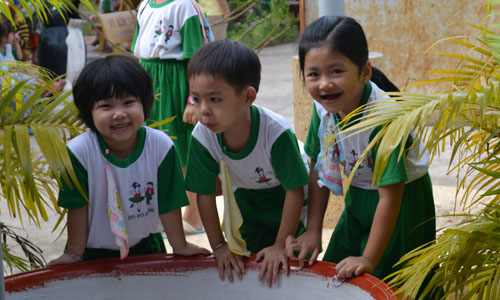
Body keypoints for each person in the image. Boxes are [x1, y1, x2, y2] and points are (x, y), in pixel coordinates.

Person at [285, 15, 436, 280]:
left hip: (403, 203)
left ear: (365, 72)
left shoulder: (384, 117)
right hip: (359, 196)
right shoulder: (323, 109)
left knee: (392, 281)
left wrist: (368, 258)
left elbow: (390, 196)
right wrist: (313, 230)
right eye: (313, 74)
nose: (324, 84)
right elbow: (318, 169)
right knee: (335, 269)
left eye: (336, 71)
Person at [47, 55, 209, 266]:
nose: (119, 114)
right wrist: (75, 254)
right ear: (89, 111)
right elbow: (77, 208)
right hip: (93, 254)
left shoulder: (161, 146)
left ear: (145, 102)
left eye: (128, 102)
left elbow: (168, 203)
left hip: (147, 247)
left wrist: (180, 246)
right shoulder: (79, 152)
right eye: (106, 106)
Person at [185, 40, 310, 286]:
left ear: (248, 97)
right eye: (196, 99)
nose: (203, 111)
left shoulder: (275, 132)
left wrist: (279, 244)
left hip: (289, 199)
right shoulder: (202, 135)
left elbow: (294, 191)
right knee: (250, 263)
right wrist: (219, 246)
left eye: (214, 99)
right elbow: (204, 195)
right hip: (247, 198)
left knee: (292, 263)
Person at [131, 0, 211, 235]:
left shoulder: (184, 6)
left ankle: (194, 216)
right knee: (152, 146)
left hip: (174, 81)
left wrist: (193, 99)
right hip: (149, 79)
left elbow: (196, 57)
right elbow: (139, 51)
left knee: (183, 149)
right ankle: (163, 212)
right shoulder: (145, 4)